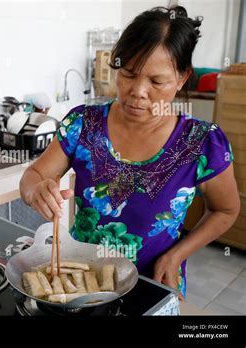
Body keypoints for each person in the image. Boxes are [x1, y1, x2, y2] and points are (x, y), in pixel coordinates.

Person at [19, 6, 240, 299]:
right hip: (83, 282)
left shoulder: (202, 143)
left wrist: (176, 255)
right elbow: (33, 176)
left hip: (153, 283)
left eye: (156, 81)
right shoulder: (83, 124)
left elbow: (226, 210)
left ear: (183, 78)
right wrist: (37, 190)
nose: (137, 91)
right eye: (128, 74)